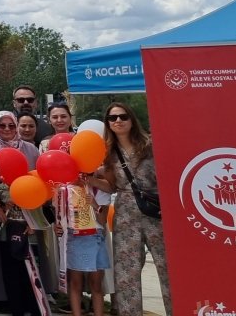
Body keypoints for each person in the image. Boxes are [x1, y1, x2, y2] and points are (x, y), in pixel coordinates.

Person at [94, 103, 170, 316]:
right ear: (107, 123)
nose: (118, 121)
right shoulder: (108, 152)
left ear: (132, 119)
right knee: (126, 271)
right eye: (112, 118)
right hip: (126, 214)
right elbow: (111, 186)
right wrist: (89, 179)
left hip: (157, 212)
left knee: (168, 269)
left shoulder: (150, 145)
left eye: (123, 116)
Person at [0, 111, 41, 316]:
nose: (8, 130)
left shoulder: (30, 149)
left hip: (29, 216)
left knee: (31, 263)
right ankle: (16, 308)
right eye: (2, 126)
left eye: (11, 125)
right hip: (5, 218)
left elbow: (39, 182)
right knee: (9, 264)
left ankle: (34, 306)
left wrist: (35, 215)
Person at [55, 173, 108, 316]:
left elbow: (103, 220)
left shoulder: (98, 188)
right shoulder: (63, 189)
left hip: (95, 236)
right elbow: (59, 216)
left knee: (96, 284)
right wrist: (58, 226)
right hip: (75, 236)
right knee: (75, 282)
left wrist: (95, 206)